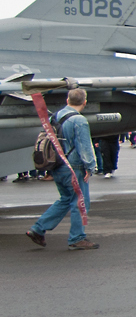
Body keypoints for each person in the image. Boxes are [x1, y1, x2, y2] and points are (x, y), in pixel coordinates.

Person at [24, 88, 99, 250]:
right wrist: (90, 167)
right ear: (84, 103)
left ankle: (38, 228)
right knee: (80, 203)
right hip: (74, 167)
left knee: (66, 199)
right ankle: (77, 237)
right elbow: (84, 147)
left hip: (57, 164)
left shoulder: (55, 116)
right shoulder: (79, 121)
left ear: (68, 100)